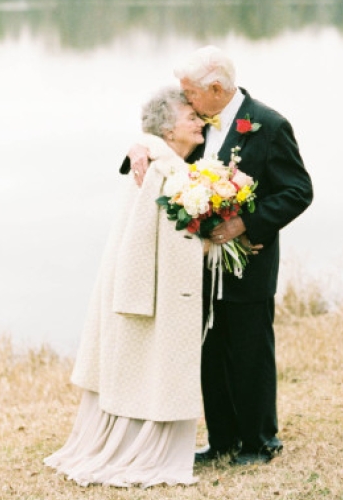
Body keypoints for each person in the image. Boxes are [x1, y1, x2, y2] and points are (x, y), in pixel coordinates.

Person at [129, 45, 313, 466]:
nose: (186, 99)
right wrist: (138, 145)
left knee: (250, 353)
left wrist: (244, 224)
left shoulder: (268, 125)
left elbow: (298, 191)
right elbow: (162, 138)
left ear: (215, 88)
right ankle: (222, 440)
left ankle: (259, 442)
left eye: (191, 92)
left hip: (249, 261)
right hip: (199, 266)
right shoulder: (196, 124)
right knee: (210, 354)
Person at [44, 86, 206, 487]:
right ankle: (144, 447)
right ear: (168, 131)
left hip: (159, 283)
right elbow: (142, 236)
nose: (200, 122)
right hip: (151, 287)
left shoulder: (165, 161)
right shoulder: (158, 169)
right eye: (191, 118)